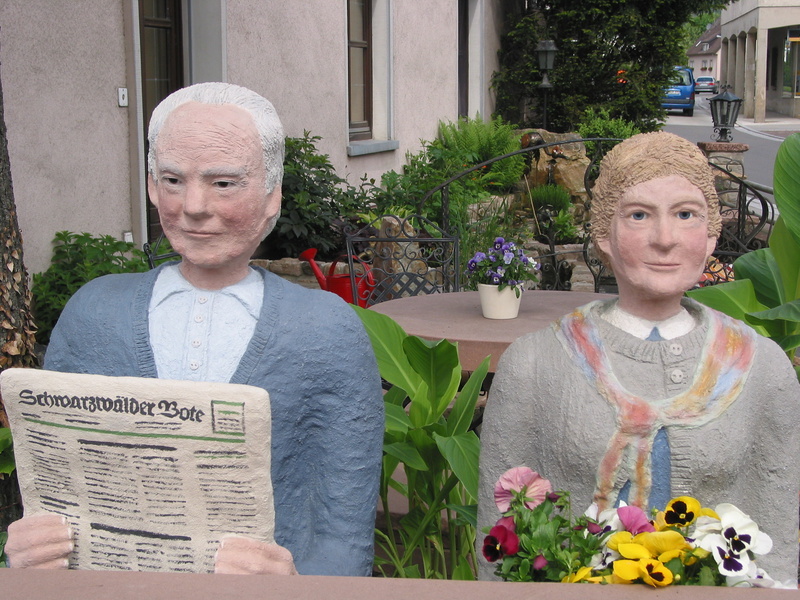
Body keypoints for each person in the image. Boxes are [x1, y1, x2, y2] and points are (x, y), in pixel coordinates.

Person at [5, 83, 384, 576]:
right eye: (173, 180)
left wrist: (297, 584)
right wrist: (35, 552)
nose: (194, 205)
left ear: (272, 194)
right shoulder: (93, 313)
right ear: (151, 186)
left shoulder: (326, 330)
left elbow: (344, 531)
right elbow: (56, 485)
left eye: (223, 183)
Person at [477, 131, 800, 583]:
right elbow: (499, 541)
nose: (665, 239)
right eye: (639, 215)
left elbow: (779, 537)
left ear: (711, 235)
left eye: (686, 215)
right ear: (603, 234)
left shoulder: (761, 367)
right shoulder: (534, 364)